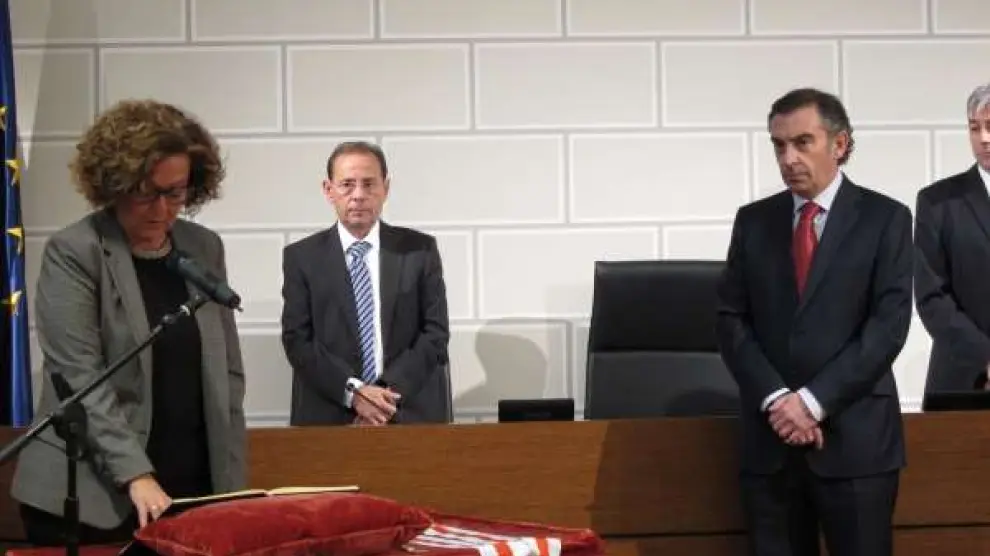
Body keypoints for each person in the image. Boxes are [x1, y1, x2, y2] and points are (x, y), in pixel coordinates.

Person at [10, 99, 247, 545]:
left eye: (175, 193)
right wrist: (135, 474)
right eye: (145, 192)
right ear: (114, 185)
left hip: (188, 489)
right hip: (90, 499)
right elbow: (81, 378)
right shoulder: (76, 252)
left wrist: (230, 487)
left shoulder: (203, 248)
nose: (162, 209)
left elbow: (227, 373)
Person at [715, 88, 912, 556]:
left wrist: (812, 402)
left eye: (802, 142)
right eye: (779, 145)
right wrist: (778, 400)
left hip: (856, 444)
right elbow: (731, 320)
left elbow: (887, 327)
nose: (788, 158)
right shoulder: (754, 222)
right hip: (772, 444)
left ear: (839, 144)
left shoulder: (886, 219)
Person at [281, 141, 450, 426]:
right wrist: (355, 394)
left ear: (386, 188)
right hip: (330, 417)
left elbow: (435, 334)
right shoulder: (302, 258)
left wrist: (381, 396)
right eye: (347, 184)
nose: (358, 195)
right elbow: (298, 340)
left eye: (369, 184)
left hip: (407, 413)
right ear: (328, 190)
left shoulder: (420, 250)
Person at [915, 82, 990, 404]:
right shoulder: (937, 202)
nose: (983, 138)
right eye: (975, 127)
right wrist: (985, 357)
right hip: (962, 380)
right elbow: (932, 296)